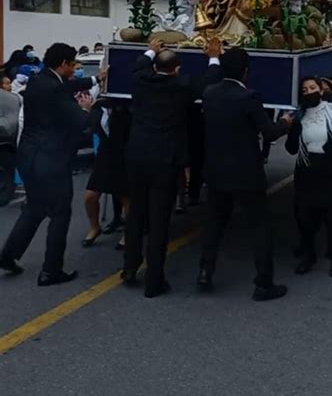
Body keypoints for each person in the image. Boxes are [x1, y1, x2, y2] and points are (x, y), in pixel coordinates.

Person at [123, 40, 221, 297]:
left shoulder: (141, 81)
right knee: (159, 221)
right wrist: (213, 56)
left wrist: (151, 49)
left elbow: (140, 64)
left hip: (137, 156)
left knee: (135, 214)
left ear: (155, 67)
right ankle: (154, 280)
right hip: (166, 160)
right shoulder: (182, 86)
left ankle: (130, 268)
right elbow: (210, 80)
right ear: (176, 69)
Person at [197, 48, 292, 301]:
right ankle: (264, 283)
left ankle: (205, 272)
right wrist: (285, 123)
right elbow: (269, 132)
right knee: (260, 227)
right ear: (246, 71)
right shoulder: (248, 97)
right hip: (246, 172)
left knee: (214, 224)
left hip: (216, 170)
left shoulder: (209, 93)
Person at [0, 43, 95, 284]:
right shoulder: (57, 90)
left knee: (34, 208)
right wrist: (87, 110)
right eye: (73, 65)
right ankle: (51, 270)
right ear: (63, 64)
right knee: (61, 213)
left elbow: (65, 85)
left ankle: (8, 255)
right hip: (51, 160)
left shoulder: (38, 79)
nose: (75, 70)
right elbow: (80, 122)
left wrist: (94, 80)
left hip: (28, 156)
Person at [285, 77, 332, 278]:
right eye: (305, 89)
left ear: (321, 89)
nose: (309, 91)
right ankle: (308, 257)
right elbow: (291, 149)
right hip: (307, 173)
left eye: (313, 88)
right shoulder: (299, 115)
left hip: (331, 173)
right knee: (305, 218)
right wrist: (291, 127)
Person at [82, 101, 131, 249]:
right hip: (105, 155)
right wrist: (86, 111)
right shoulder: (97, 107)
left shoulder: (127, 106)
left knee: (126, 197)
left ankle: (129, 233)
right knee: (90, 197)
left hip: (124, 155)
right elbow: (90, 128)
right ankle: (95, 227)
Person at [0, 73, 21, 207]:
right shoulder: (14, 98)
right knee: (8, 170)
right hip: (8, 139)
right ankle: (5, 195)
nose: (10, 86)